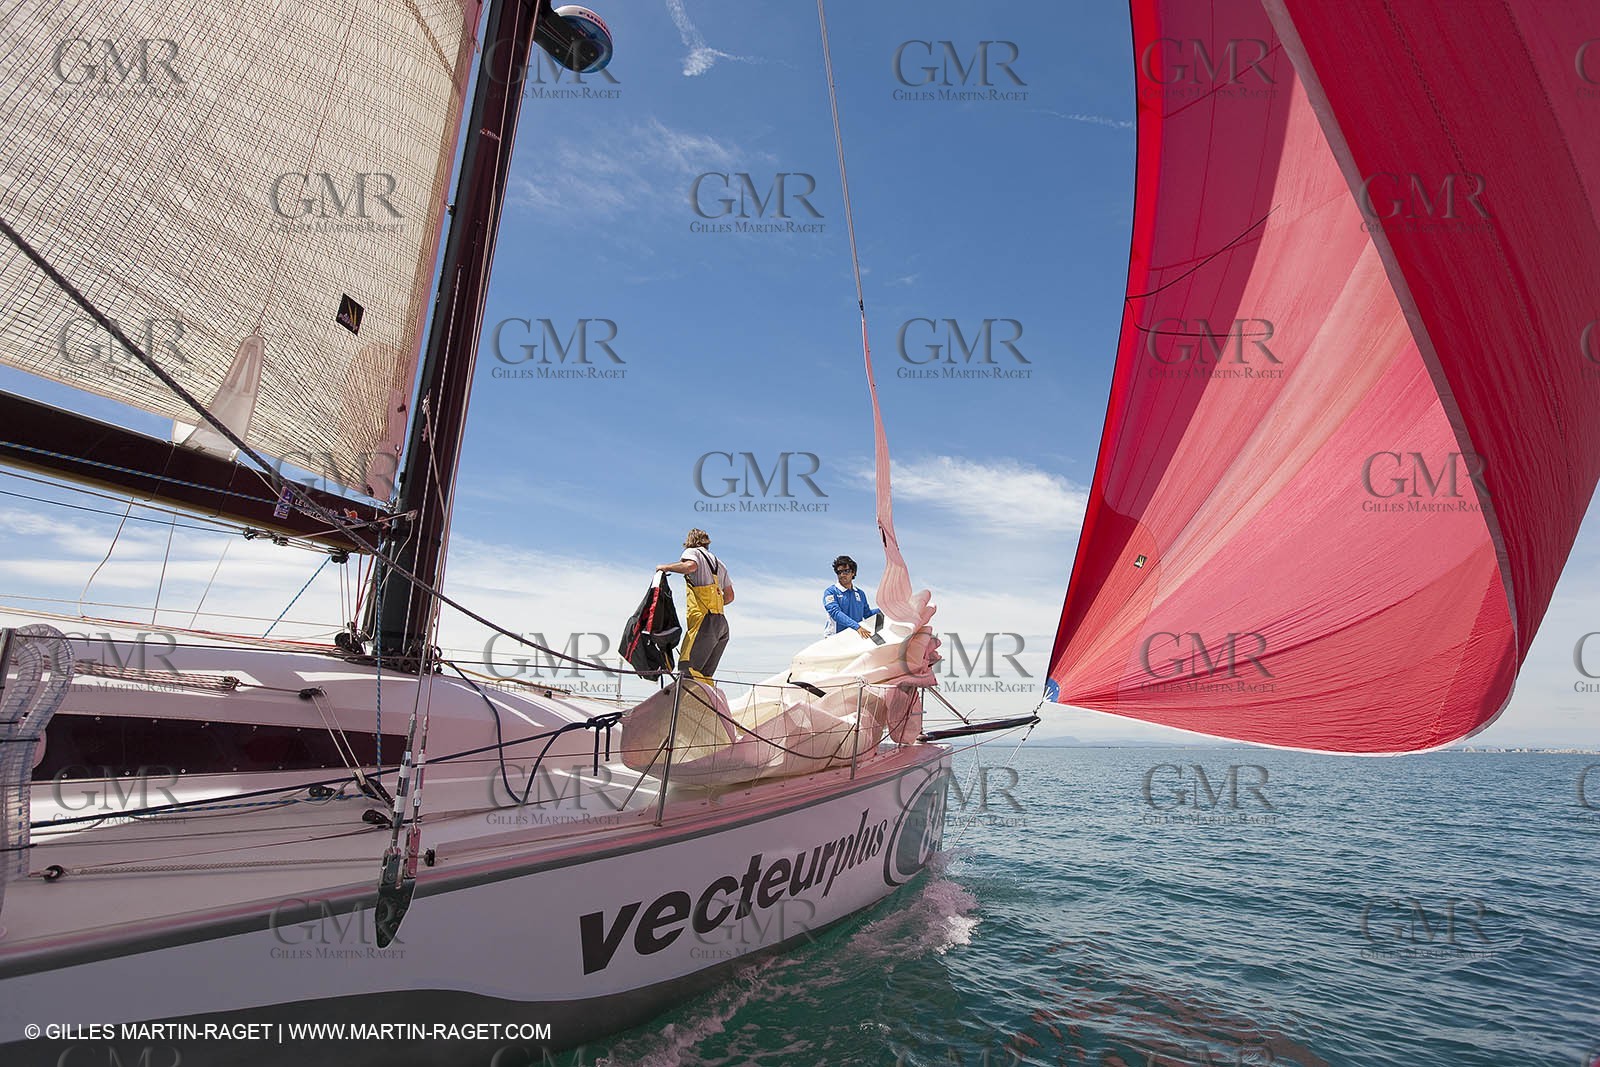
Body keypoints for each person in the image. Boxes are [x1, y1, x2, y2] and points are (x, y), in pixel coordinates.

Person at [657, 528, 734, 682]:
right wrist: (715, 605)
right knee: (704, 675)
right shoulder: (720, 564)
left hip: (704, 621)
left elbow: (690, 566)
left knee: (687, 668)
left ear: (690, 542)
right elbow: (730, 596)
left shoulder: (692, 552)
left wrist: (665, 568)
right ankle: (702, 706)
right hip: (721, 625)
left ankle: (684, 705)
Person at [823, 554, 877, 637]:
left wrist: (885, 610)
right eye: (839, 572)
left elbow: (867, 614)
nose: (842, 575)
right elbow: (835, 613)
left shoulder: (860, 594)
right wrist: (857, 627)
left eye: (846, 571)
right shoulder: (830, 592)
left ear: (853, 572)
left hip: (854, 637)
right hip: (834, 637)